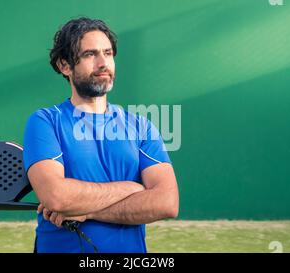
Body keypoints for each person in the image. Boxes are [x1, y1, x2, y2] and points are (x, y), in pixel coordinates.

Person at [23, 17, 179, 253]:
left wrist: (86, 210)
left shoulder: (141, 126)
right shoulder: (45, 122)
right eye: (90, 54)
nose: (103, 63)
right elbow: (56, 197)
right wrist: (131, 188)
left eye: (108, 53)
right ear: (64, 65)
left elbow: (167, 203)